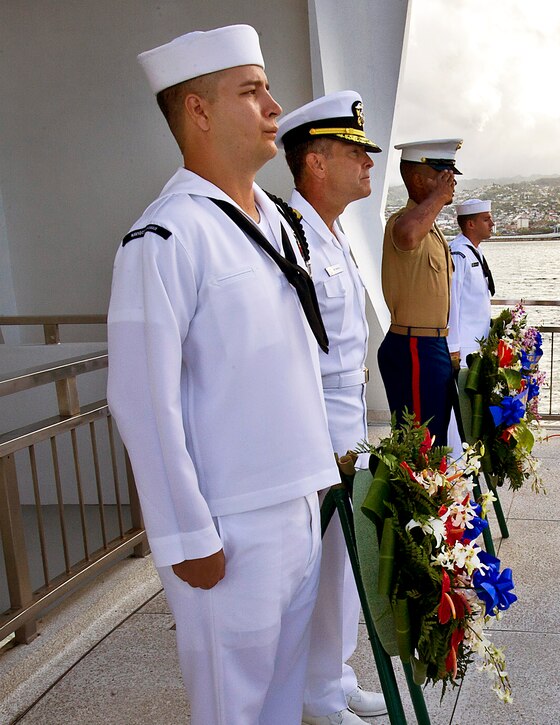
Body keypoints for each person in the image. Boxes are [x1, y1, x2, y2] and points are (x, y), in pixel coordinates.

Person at [107, 25, 338, 723]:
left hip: (297, 503)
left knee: (279, 699)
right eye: (252, 90)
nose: (274, 105)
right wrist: (185, 534)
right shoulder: (167, 237)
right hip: (229, 524)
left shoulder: (277, 222)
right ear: (198, 111)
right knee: (230, 709)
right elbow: (141, 398)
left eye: (267, 86)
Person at [275, 91, 388, 725]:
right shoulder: (291, 237)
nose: (367, 163)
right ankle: (313, 697)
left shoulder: (332, 233)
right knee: (314, 570)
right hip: (316, 424)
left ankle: (333, 674)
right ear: (315, 162)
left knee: (344, 562)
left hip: (347, 422)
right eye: (354, 152)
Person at [378, 138, 462, 445]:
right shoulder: (403, 222)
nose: (450, 181)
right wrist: (439, 197)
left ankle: (435, 494)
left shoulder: (433, 230)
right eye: (441, 173)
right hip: (413, 346)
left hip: (432, 347)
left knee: (435, 440)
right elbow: (408, 234)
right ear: (416, 178)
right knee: (419, 445)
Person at [446, 198, 496, 453]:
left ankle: (471, 462)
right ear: (470, 223)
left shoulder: (473, 252)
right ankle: (458, 466)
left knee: (471, 413)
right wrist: (453, 348)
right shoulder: (459, 254)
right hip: (464, 351)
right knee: (459, 415)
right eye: (486, 219)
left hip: (476, 350)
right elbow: (452, 302)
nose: (492, 223)